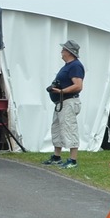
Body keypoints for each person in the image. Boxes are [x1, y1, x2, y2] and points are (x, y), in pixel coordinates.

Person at [41, 40, 85, 169]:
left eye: (63, 49)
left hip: (68, 101)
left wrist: (62, 91)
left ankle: (73, 159)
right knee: (57, 128)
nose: (61, 52)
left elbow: (78, 85)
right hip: (61, 102)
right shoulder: (67, 65)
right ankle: (57, 156)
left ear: (69, 52)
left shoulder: (75, 66)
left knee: (69, 128)